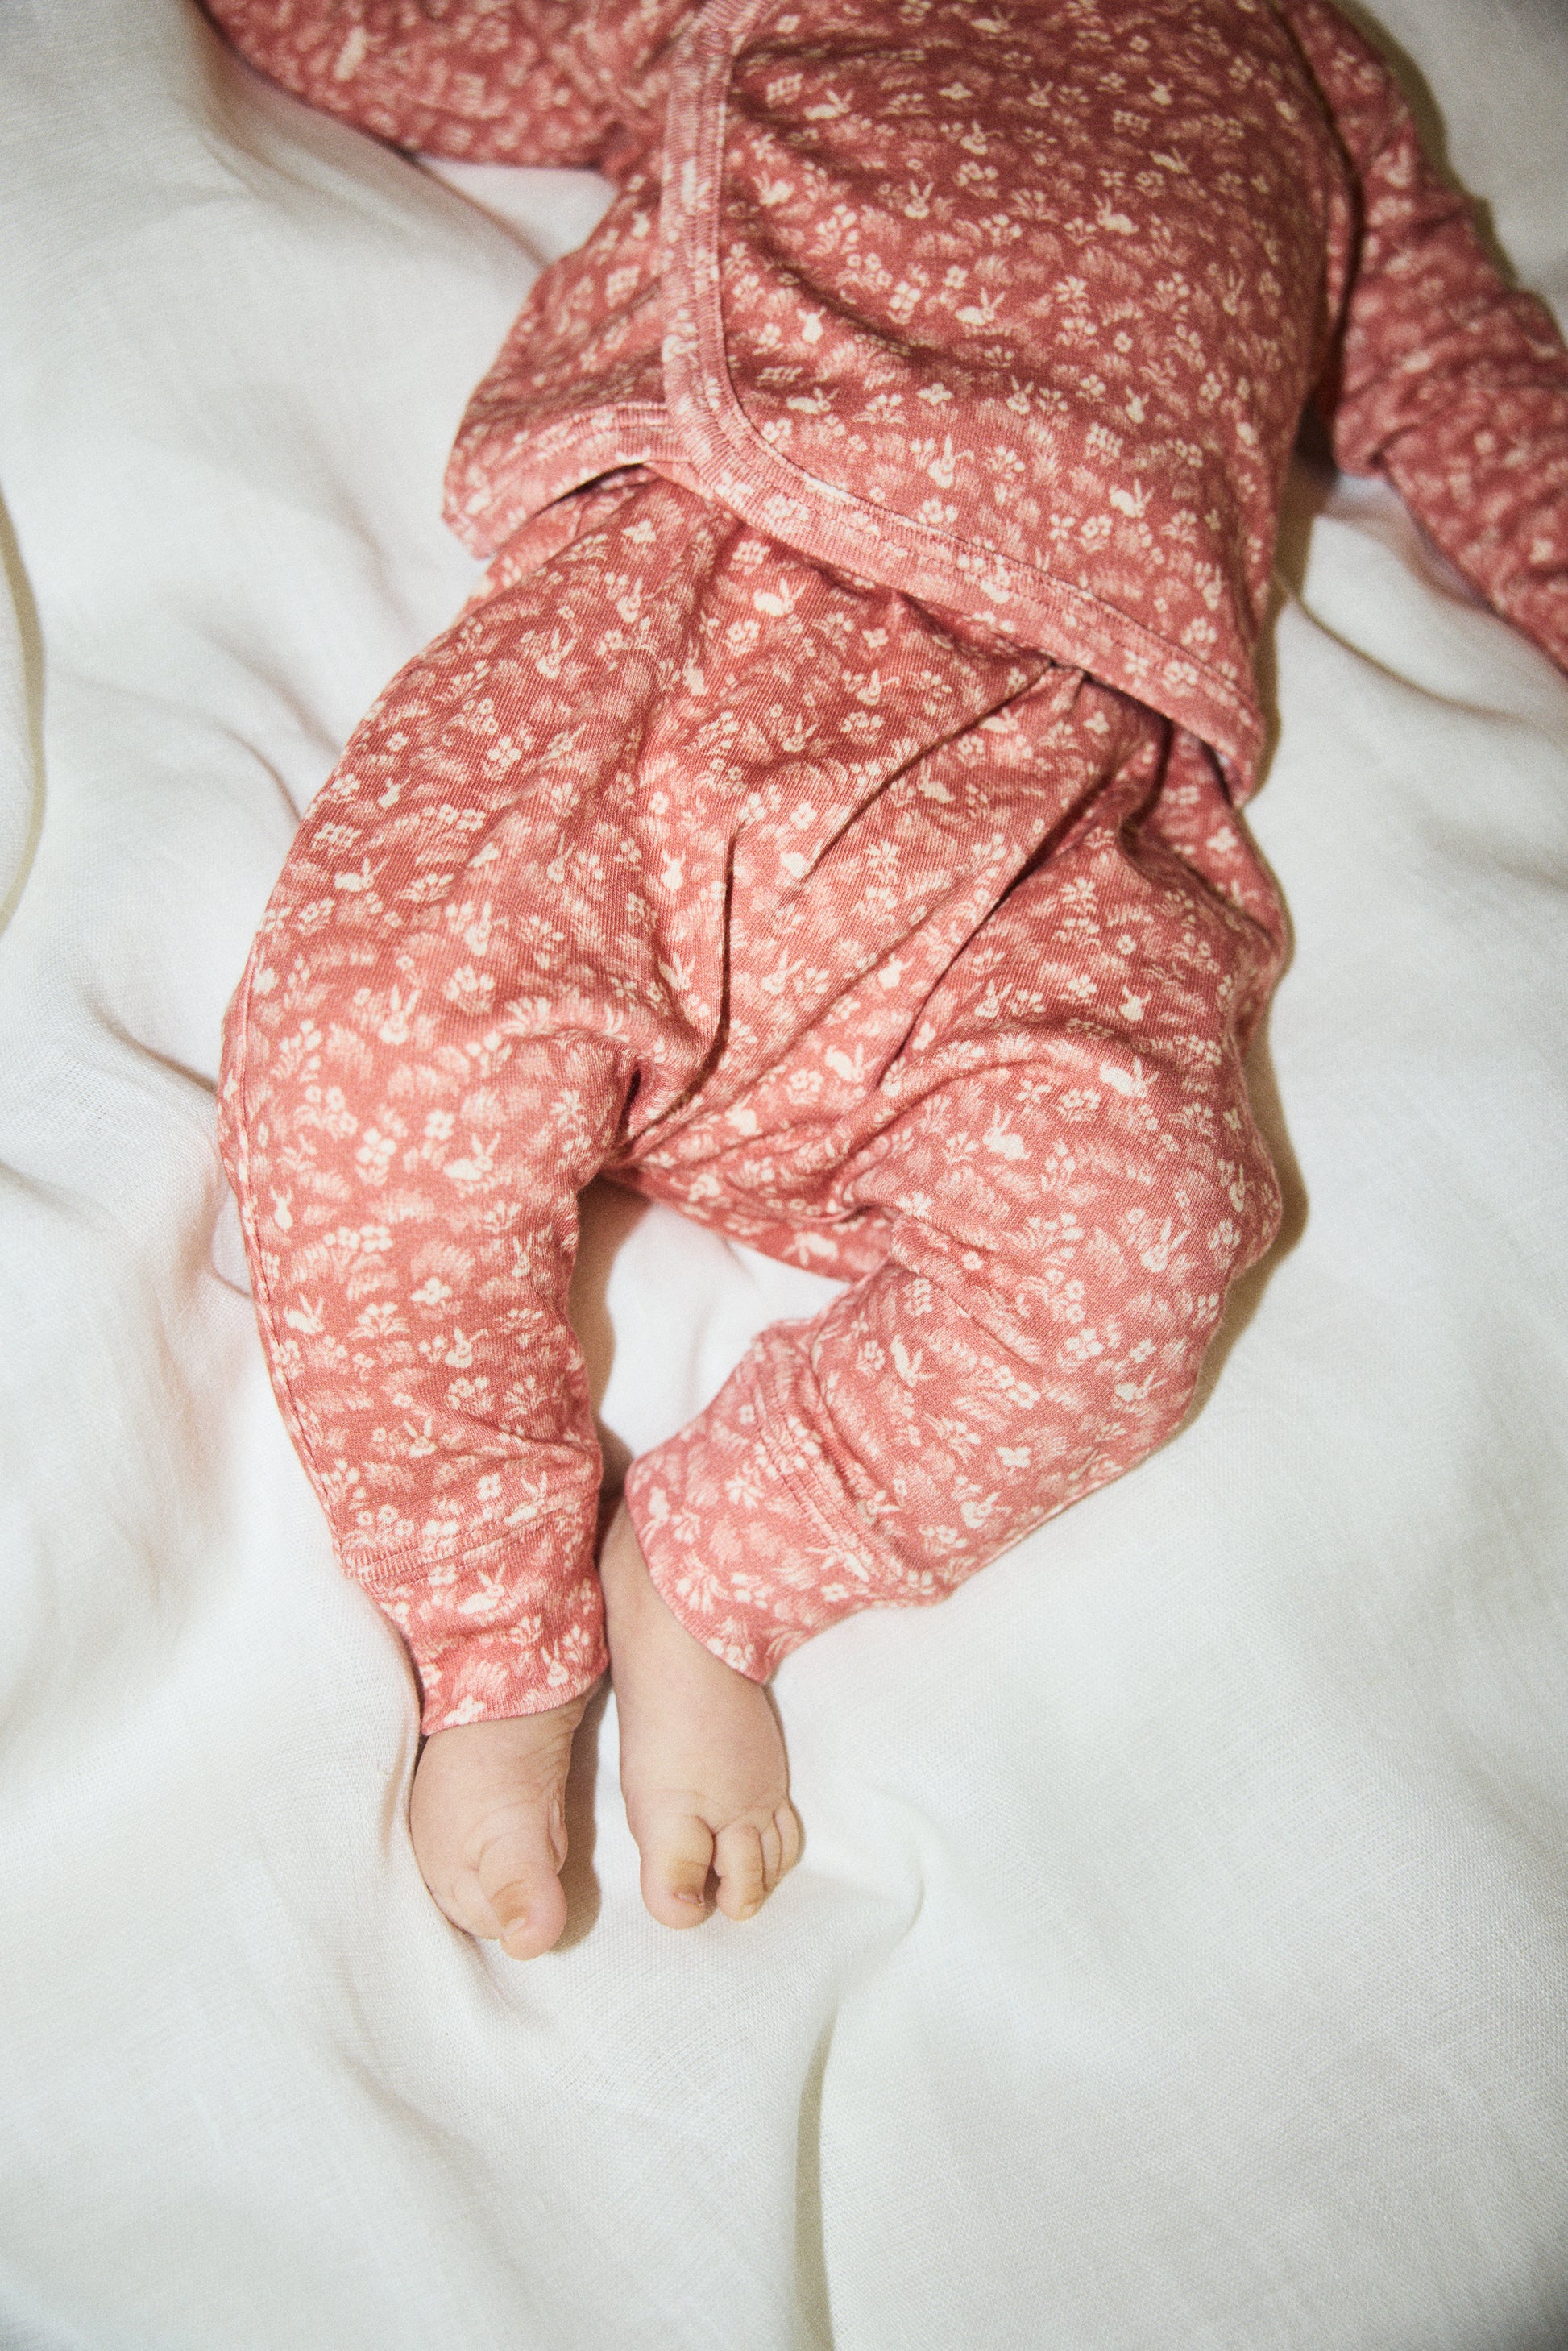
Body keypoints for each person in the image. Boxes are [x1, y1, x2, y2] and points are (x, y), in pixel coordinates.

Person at [205, 0, 1568, 1958]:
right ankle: (492, 1631)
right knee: (379, 1034)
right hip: (678, 598)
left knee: (1144, 1231)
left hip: (1041, 776)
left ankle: (713, 1564)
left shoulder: (1312, 74)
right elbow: (458, 36)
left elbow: (1458, 374)